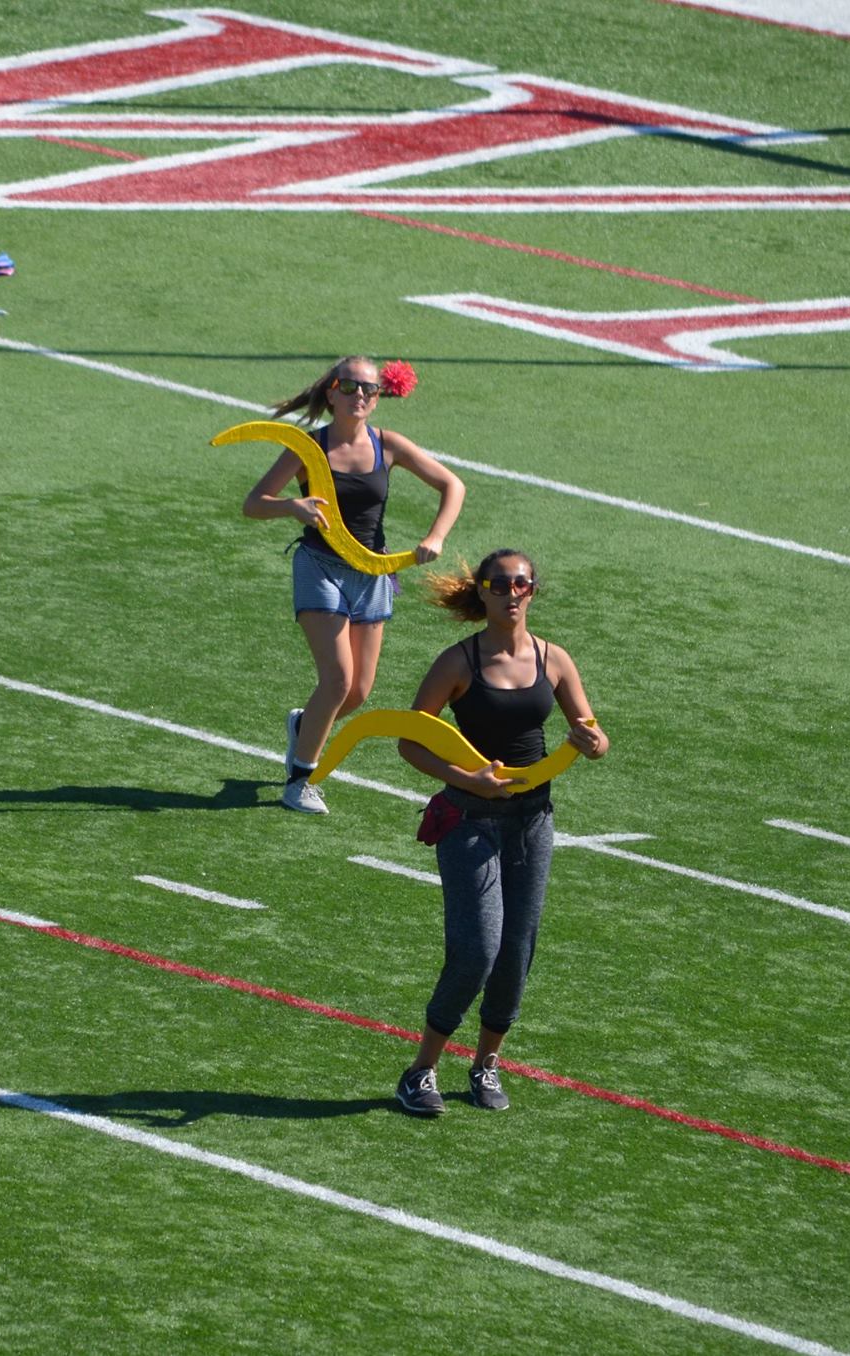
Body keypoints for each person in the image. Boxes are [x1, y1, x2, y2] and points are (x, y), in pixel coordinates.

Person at [392, 549, 609, 1115]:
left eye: (521, 583)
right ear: (482, 592)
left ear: (532, 590)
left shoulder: (554, 659)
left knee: (515, 951)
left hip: (532, 822)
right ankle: (420, 1071)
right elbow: (410, 742)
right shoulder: (458, 662)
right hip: (468, 819)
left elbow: (592, 733)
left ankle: (486, 1065)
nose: (512, 593)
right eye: (500, 584)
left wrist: (592, 743)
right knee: (477, 950)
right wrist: (469, 779)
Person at [241, 356, 464, 815]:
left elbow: (452, 486)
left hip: (372, 570)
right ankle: (300, 780)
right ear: (332, 393)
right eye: (348, 386)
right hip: (320, 565)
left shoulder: (388, 445)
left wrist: (435, 537)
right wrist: (293, 507)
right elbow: (254, 503)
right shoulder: (308, 447)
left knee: (359, 690)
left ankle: (304, 726)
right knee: (338, 679)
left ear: (378, 398)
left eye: (368, 388)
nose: (358, 395)